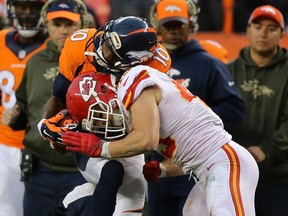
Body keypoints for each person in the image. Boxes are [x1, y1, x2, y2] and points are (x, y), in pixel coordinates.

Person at [60, 15, 259, 216]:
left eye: (110, 47)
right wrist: (164, 169)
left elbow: (147, 139)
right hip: (206, 167)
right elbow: (195, 151)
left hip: (225, 163)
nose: (103, 50)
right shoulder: (143, 77)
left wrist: (99, 147)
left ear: (130, 57)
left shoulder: (135, 78)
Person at [37, 16, 171, 215]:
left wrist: (166, 166)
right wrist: (56, 133)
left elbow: (146, 124)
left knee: (131, 200)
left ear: (136, 60)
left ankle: (78, 200)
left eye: (111, 52)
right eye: (106, 42)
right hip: (88, 131)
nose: (102, 50)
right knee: (113, 174)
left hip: (126, 134)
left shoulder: (154, 66)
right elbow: (60, 96)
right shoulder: (80, 44)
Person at [145, 0, 245, 215]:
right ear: (157, 26)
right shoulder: (146, 65)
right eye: (167, 25)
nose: (173, 31)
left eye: (178, 25)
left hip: (195, 166)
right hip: (156, 165)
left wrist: (193, 124)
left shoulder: (208, 64)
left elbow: (235, 108)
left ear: (190, 25)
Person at [3, 0, 91, 215]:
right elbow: (23, 105)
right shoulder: (36, 61)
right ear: (47, 25)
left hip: (83, 170)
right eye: (56, 24)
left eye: (69, 24)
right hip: (40, 171)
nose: (63, 31)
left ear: (82, 24)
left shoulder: (96, 61)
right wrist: (15, 116)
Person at [226, 5, 288, 216]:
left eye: (271, 28)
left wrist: (266, 149)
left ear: (281, 34)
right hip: (233, 176)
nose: (263, 33)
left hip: (277, 179)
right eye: (258, 26)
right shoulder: (227, 70)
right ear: (248, 30)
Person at [0, 0, 49, 215]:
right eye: (22, 7)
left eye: (34, 8)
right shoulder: (1, 40)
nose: (27, 14)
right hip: (4, 144)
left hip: (43, 145)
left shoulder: (54, 46)